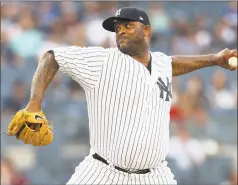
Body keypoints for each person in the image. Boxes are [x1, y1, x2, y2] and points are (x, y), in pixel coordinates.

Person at [6, 7, 237, 185]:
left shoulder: (161, 63)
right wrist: (34, 104)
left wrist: (215, 59)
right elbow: (51, 57)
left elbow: (174, 64)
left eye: (127, 26)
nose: (121, 31)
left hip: (155, 176)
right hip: (103, 172)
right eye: (117, 28)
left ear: (147, 31)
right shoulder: (103, 61)